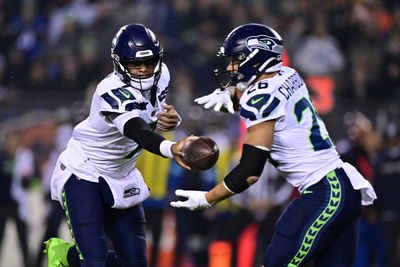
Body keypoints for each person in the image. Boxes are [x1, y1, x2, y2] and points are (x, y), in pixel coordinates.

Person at [170, 23, 377, 267]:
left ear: (256, 58)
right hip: (343, 187)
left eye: (236, 59)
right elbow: (269, 97)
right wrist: (233, 98)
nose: (230, 67)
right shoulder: (290, 74)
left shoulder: (259, 99)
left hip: (325, 192)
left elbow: (249, 172)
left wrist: (208, 198)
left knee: (276, 261)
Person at [43, 23, 193, 267]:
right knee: (95, 261)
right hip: (85, 172)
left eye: (149, 62)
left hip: (121, 174)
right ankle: (64, 256)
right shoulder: (109, 89)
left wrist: (173, 119)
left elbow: (151, 116)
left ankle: (73, 257)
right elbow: (137, 130)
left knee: (134, 263)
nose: (144, 70)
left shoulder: (162, 74)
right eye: (135, 64)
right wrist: (170, 148)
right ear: (120, 63)